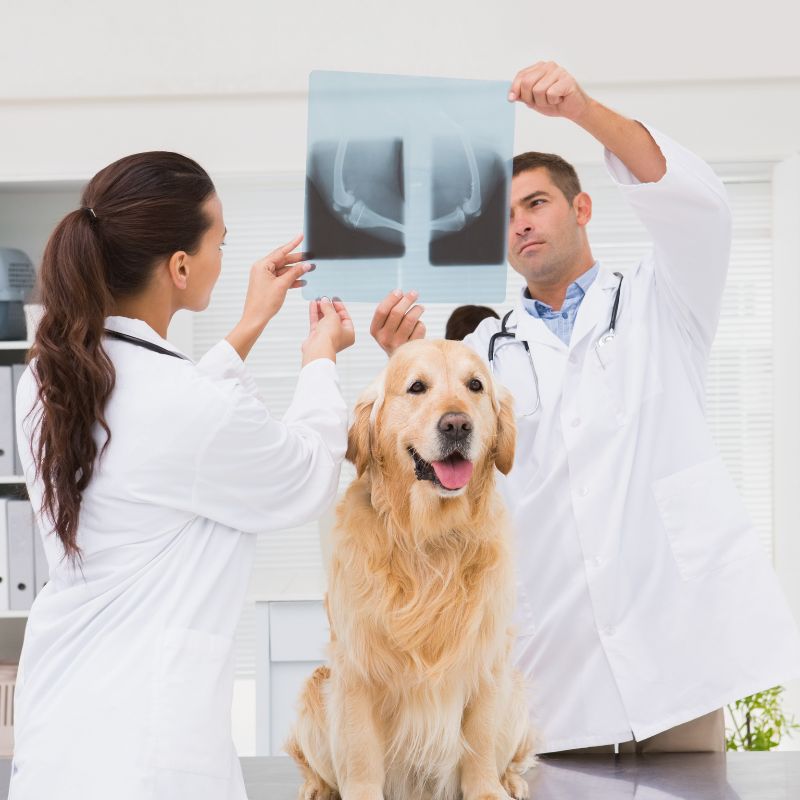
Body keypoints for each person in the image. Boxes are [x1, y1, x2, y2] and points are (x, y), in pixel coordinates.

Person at [370, 61, 800, 755]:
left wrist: (582, 111)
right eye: (505, 217)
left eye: (536, 203)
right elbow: (437, 469)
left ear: (581, 208)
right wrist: (403, 362)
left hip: (676, 652)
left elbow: (697, 205)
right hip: (554, 670)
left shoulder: (665, 302)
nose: (521, 225)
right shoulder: (478, 353)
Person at [9, 152, 354, 799]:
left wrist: (250, 324)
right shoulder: (184, 406)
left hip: (58, 734)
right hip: (148, 757)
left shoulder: (47, 378)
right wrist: (320, 361)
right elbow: (304, 476)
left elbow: (171, 436)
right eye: (220, 240)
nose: (225, 255)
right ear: (180, 266)